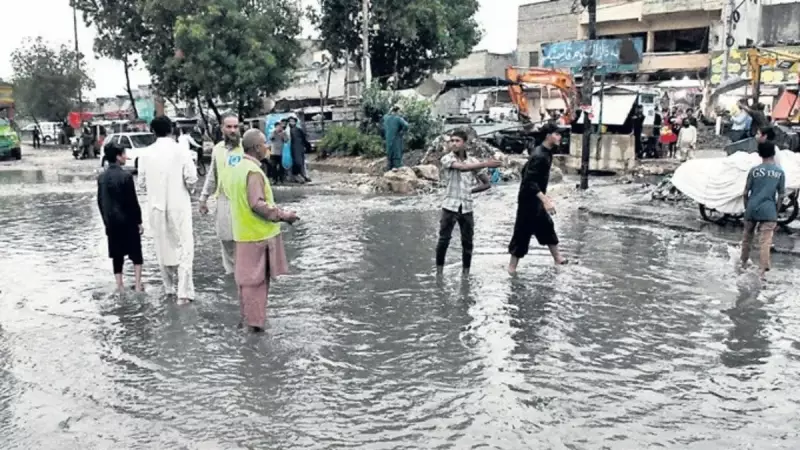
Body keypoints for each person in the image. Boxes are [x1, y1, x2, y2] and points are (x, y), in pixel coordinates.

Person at [223, 129, 298, 332]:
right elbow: (257, 204)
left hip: (243, 234)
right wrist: (284, 215)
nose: (267, 146)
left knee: (247, 284)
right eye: (265, 143)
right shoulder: (254, 172)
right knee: (257, 284)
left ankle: (247, 322)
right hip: (258, 236)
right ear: (256, 148)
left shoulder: (238, 168)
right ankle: (255, 330)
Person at [138, 116, 198, 304]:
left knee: (161, 247)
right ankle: (184, 294)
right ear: (171, 130)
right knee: (185, 248)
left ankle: (169, 289)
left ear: (153, 131)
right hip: (179, 205)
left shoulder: (145, 154)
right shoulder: (181, 151)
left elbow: (141, 184)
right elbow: (191, 178)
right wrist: (190, 191)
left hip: (155, 207)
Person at [436, 129, 502, 276]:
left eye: (457, 141)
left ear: (464, 143)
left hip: (466, 207)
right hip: (450, 205)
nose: (454, 144)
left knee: (468, 243)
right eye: (452, 141)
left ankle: (466, 274)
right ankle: (439, 273)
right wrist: (486, 163)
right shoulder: (447, 158)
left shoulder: (473, 161)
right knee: (443, 241)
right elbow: (462, 168)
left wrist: (469, 191)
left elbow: (486, 183)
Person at [508, 123, 568, 274]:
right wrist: (545, 199)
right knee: (522, 231)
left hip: (536, 198)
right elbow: (529, 181)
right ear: (548, 136)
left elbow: (524, 170)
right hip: (528, 199)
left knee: (546, 225)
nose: (560, 137)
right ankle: (511, 268)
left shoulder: (547, 152)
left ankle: (558, 258)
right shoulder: (539, 155)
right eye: (557, 134)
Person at [97, 143, 144, 293]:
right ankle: (137, 284)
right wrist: (139, 222)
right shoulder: (126, 176)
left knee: (117, 255)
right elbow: (132, 201)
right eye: (124, 154)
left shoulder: (101, 177)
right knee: (136, 253)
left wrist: (106, 221)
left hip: (111, 222)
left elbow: (100, 202)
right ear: (118, 157)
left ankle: (120, 286)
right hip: (128, 221)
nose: (126, 157)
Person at [199, 114, 243, 276]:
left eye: (235, 127)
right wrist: (203, 199)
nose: (233, 130)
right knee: (226, 241)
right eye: (229, 127)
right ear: (222, 128)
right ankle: (231, 277)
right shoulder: (218, 149)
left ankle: (244, 277)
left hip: (243, 201)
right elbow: (212, 176)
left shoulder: (245, 147)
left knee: (243, 242)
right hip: (223, 200)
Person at [741, 142, 786, 281]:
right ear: (773, 154)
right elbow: (781, 196)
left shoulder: (754, 171)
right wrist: (776, 212)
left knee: (747, 238)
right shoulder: (779, 173)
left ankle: (743, 264)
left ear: (760, 154)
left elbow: (745, 192)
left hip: (752, 207)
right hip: (769, 210)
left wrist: (746, 207)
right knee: (765, 241)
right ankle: (762, 271)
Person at [383, 106, 409, 171]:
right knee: (397, 158)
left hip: (388, 141)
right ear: (397, 111)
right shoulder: (398, 119)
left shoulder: (386, 118)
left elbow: (386, 115)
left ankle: (389, 172)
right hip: (396, 140)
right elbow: (406, 125)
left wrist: (390, 110)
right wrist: (402, 132)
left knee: (389, 158)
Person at [287, 117, 312, 183]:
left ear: (295, 122)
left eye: (292, 121)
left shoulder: (298, 130)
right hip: (290, 149)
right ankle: (296, 176)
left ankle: (303, 175)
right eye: (290, 121)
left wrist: (307, 147)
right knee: (295, 162)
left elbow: (304, 139)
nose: (291, 122)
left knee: (301, 162)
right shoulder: (287, 131)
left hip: (299, 148)